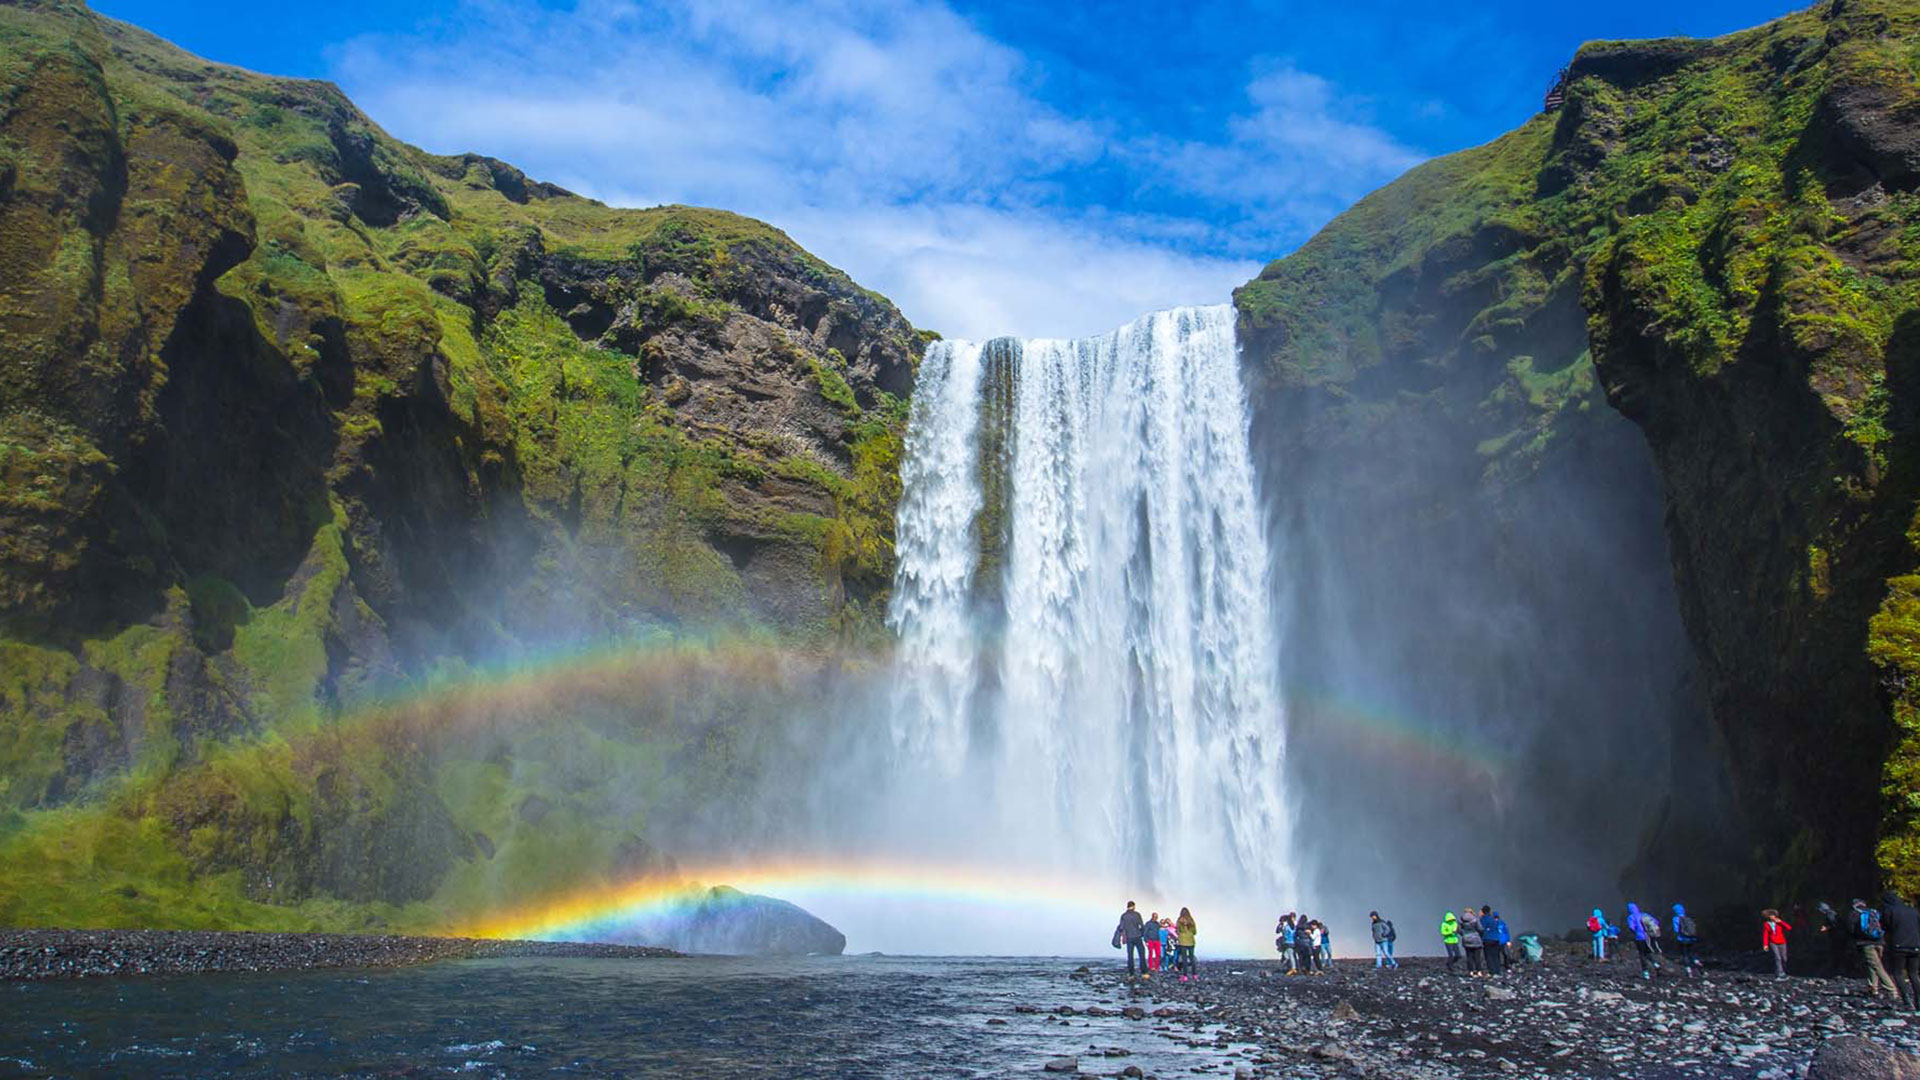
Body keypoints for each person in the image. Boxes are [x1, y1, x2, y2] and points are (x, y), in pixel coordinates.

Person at [1852, 898, 1898, 1002]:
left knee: (1877, 966)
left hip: (1866, 943)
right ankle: (1873, 988)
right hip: (1880, 942)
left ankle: (1891, 989)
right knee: (1873, 965)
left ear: (1854, 905)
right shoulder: (1874, 912)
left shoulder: (1855, 914)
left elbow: (1852, 930)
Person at [1882, 890, 1920, 1011]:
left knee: (1898, 973)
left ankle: (1906, 999)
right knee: (1913, 973)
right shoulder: (1913, 911)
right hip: (1915, 945)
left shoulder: (1889, 910)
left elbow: (1885, 926)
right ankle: (1918, 1000)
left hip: (1898, 945)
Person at [1626, 902, 1661, 979]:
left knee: (1642, 954)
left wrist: (1635, 933)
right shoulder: (1644, 914)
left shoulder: (1631, 917)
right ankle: (1656, 964)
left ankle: (1646, 973)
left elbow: (1631, 927)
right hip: (1648, 937)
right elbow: (1656, 922)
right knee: (1648, 952)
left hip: (1640, 938)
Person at [1116, 901, 1147, 978]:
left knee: (1130, 955)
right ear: (1133, 906)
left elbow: (1121, 927)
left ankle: (1131, 974)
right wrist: (1142, 934)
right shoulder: (1137, 915)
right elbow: (1142, 926)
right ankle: (1144, 972)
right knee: (1141, 954)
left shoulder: (1123, 916)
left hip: (1129, 937)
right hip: (1137, 936)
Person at [1671, 903, 1703, 975]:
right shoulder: (1688, 918)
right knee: (1692, 953)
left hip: (1682, 939)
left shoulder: (1675, 919)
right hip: (1692, 939)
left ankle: (1688, 971)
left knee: (1685, 955)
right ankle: (1697, 962)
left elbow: (1676, 930)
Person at [1762, 909, 1793, 979]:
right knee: (1777, 957)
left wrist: (1781, 922)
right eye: (1771, 915)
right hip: (1773, 942)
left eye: (1773, 915)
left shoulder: (1779, 922)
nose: (1772, 917)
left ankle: (1783, 971)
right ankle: (1780, 972)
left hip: (1782, 942)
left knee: (1784, 958)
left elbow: (1789, 928)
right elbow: (1765, 935)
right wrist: (1765, 945)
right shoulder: (1766, 924)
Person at [1459, 906, 1485, 977]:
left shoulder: (1461, 920)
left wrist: (1464, 934)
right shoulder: (1475, 919)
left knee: (1469, 956)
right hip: (1475, 938)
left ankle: (1471, 971)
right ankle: (1479, 971)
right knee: (1477, 957)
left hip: (1466, 939)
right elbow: (1480, 929)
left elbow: (1459, 930)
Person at [1480, 907, 1506, 976]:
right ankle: (1497, 970)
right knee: (1496, 955)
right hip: (1496, 939)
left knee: (1489, 956)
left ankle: (1492, 971)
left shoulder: (1483, 919)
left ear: (1483, 912)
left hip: (1487, 939)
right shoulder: (1493, 920)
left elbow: (1481, 929)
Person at [1175, 907, 1198, 981]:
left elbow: (1177, 930)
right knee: (1192, 958)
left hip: (1183, 941)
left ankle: (1185, 976)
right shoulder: (1191, 920)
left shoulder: (1179, 920)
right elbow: (1195, 932)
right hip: (1191, 941)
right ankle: (1194, 975)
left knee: (1184, 959)